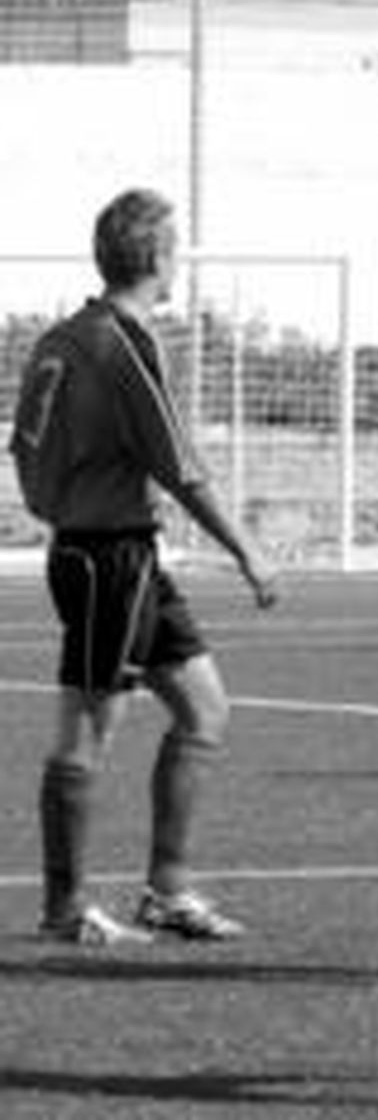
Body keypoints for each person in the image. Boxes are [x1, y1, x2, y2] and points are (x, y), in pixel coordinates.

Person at [7, 187, 279, 946]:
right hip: (109, 560)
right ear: (159, 257)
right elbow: (180, 466)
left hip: (113, 553)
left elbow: (23, 448)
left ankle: (168, 891)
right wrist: (248, 550)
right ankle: (65, 910)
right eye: (176, 247)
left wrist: (59, 505)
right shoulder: (125, 341)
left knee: (205, 710)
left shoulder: (61, 337)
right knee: (85, 734)